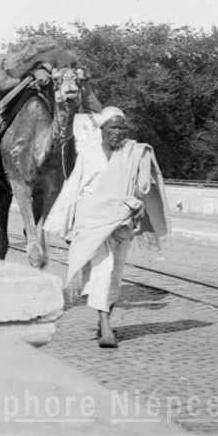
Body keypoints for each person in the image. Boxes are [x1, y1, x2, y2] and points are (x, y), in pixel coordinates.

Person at [44, 106, 169, 349]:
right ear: (102, 129)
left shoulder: (132, 153)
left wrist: (137, 205)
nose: (118, 132)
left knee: (115, 273)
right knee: (103, 268)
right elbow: (73, 188)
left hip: (122, 221)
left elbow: (142, 186)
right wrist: (68, 226)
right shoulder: (88, 154)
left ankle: (105, 319)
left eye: (122, 128)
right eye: (113, 127)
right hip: (93, 219)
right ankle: (106, 325)